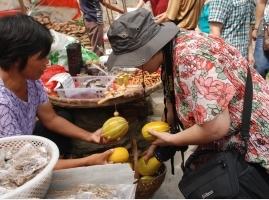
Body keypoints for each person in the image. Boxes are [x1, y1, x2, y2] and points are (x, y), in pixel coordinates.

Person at [106, 8, 269, 185]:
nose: (136, 67)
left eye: (134, 59)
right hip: (233, 134)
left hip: (252, 139)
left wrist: (172, 139)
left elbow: (215, 128)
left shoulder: (189, 57)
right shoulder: (172, 49)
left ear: (149, 49)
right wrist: (160, 141)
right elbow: (172, 104)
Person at [0, 13, 116, 170]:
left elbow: (51, 119)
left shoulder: (29, 78)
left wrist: (91, 136)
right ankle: (58, 166)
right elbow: (25, 165)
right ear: (18, 60)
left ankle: (57, 163)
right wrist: (86, 162)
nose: (46, 62)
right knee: (30, 168)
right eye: (41, 58)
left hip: (22, 141)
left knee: (62, 117)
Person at [209, 0, 255, 65]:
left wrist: (250, 53)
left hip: (243, 57)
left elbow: (248, 25)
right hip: (227, 57)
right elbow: (214, 32)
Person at [252, 0, 269, 79]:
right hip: (265, 31)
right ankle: (258, 91)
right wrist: (256, 28)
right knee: (259, 68)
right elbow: (262, 3)